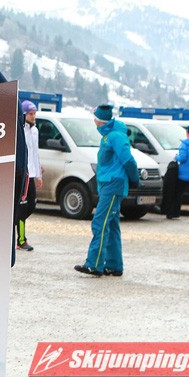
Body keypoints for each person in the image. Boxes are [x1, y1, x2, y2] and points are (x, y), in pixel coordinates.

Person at [74, 104, 139, 278]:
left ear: (99, 120)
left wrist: (135, 178)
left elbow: (128, 160)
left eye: (95, 117)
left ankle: (94, 264)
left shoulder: (115, 136)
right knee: (111, 224)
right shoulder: (109, 134)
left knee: (100, 222)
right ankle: (114, 265)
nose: (93, 120)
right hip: (108, 183)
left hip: (113, 184)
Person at [16, 100, 42, 251]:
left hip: (32, 174)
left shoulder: (35, 131)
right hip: (24, 174)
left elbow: (35, 154)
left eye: (34, 113)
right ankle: (21, 239)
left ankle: (14, 222)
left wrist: (39, 175)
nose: (33, 116)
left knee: (31, 205)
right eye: (30, 114)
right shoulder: (21, 129)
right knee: (22, 207)